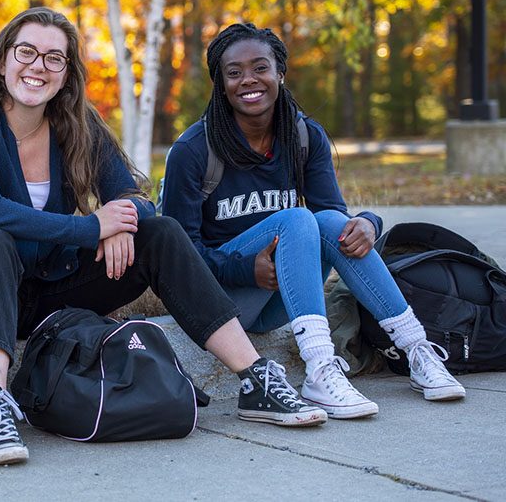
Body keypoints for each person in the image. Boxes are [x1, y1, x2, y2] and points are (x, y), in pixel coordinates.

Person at [0, 8, 328, 467]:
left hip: (43, 296)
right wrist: (92, 227)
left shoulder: (75, 124)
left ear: (66, 74)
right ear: (2, 62)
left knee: (159, 231)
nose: (38, 66)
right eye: (27, 52)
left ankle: (255, 379)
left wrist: (125, 218)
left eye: (54, 58)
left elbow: (135, 196)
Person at [160, 22, 465, 420]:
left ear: (280, 73)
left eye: (260, 68)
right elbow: (177, 257)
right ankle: (320, 367)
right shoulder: (193, 150)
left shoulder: (304, 136)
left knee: (330, 224)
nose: (248, 80)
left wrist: (369, 222)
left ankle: (417, 351)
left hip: (278, 300)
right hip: (222, 302)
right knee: (297, 219)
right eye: (234, 73)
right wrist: (244, 269)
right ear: (220, 83)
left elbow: (332, 215)